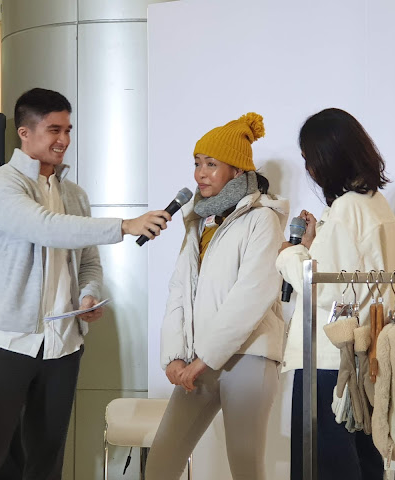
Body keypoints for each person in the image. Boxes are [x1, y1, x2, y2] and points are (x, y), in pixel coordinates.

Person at [0, 87, 172, 480]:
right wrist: (125, 225)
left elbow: (88, 261)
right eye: (54, 129)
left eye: (68, 130)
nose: (64, 139)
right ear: (25, 132)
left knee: (48, 458)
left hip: (64, 345)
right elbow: (46, 227)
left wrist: (88, 295)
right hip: (9, 341)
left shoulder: (74, 194)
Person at [145, 113, 288, 480]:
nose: (200, 174)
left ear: (237, 171)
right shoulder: (198, 223)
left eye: (211, 164)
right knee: (160, 464)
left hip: (248, 358)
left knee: (245, 468)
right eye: (197, 163)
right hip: (198, 362)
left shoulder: (262, 219)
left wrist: (204, 358)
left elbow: (251, 296)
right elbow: (179, 290)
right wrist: (175, 356)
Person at [277, 108, 395, 480]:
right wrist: (316, 243)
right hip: (364, 357)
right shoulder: (374, 203)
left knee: (326, 467)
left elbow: (325, 290)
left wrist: (290, 255)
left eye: (310, 159)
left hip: (330, 361)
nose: (309, 170)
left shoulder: (347, 209)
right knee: (364, 464)